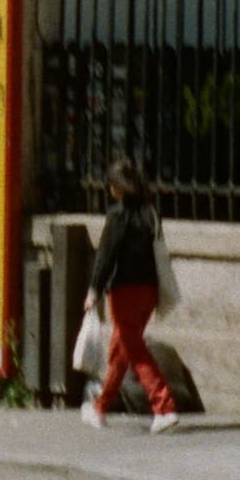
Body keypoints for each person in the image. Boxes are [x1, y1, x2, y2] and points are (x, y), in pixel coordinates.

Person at [80, 156, 181, 435]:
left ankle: (164, 406)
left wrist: (94, 291)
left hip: (124, 291)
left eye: (111, 185)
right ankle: (100, 407)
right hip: (148, 290)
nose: (110, 190)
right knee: (120, 350)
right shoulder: (150, 213)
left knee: (133, 349)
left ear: (118, 187)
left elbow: (106, 256)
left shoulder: (118, 216)